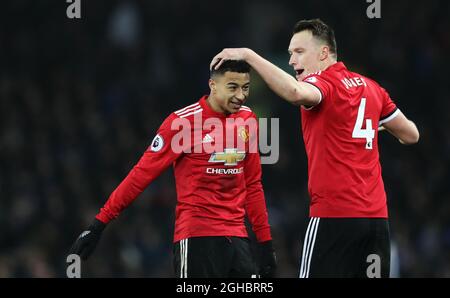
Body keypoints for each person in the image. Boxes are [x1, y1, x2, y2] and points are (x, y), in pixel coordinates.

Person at [210, 19, 419, 278]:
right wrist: (376, 128)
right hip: (376, 222)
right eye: (289, 54)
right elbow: (411, 135)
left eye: (299, 52)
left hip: (334, 218)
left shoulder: (324, 83)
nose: (291, 61)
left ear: (323, 53)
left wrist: (249, 56)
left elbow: (296, 93)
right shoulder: (372, 88)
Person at [69, 60, 277, 278]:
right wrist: (98, 225)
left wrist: (265, 244)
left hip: (238, 239)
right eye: (232, 87)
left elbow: (253, 184)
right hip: (197, 238)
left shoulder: (247, 119)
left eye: (246, 87)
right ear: (212, 85)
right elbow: (141, 175)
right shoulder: (182, 123)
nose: (240, 96)